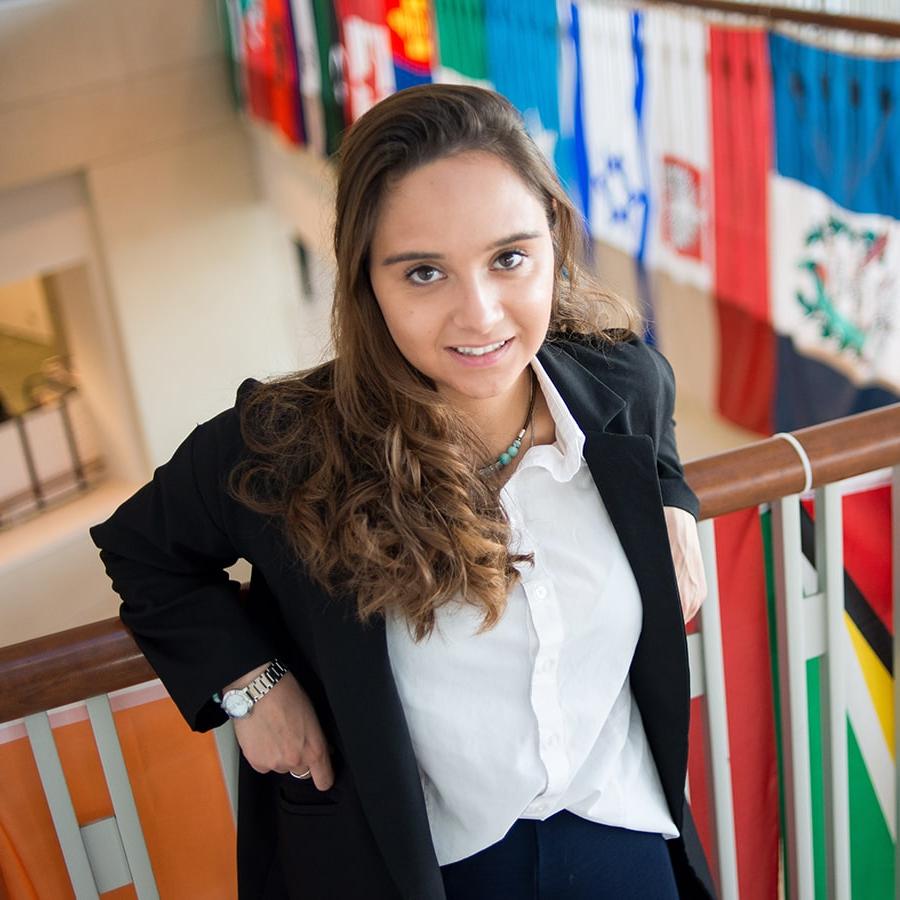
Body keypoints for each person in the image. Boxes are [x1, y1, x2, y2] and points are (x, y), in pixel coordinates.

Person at [90, 84, 715, 899]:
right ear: (365, 283)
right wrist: (251, 685)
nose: (480, 313)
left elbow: (654, 416)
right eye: (425, 272)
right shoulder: (288, 445)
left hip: (622, 833)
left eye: (510, 257)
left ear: (554, 243)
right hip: (421, 868)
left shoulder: (619, 382)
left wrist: (673, 495)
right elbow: (142, 550)